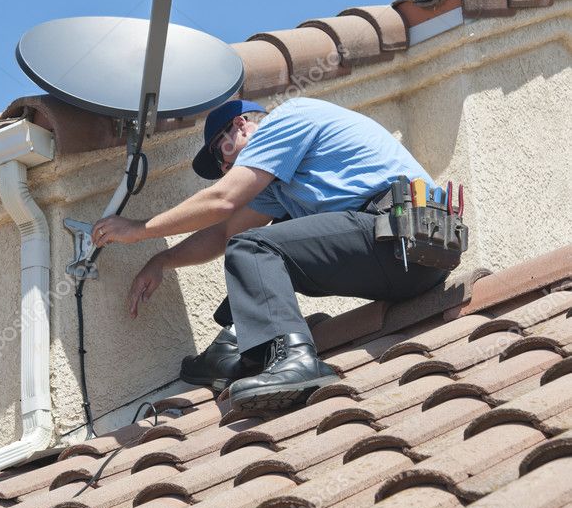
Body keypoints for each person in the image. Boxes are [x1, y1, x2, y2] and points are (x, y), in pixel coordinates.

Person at [91, 96, 450, 412]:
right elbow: (224, 231)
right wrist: (163, 260)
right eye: (222, 168)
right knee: (252, 254)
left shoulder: (288, 118)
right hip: (411, 261)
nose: (225, 170)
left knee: (254, 249)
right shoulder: (280, 187)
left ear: (240, 125)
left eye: (222, 154)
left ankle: (293, 359)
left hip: (401, 237)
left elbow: (222, 200)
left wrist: (137, 230)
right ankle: (236, 350)